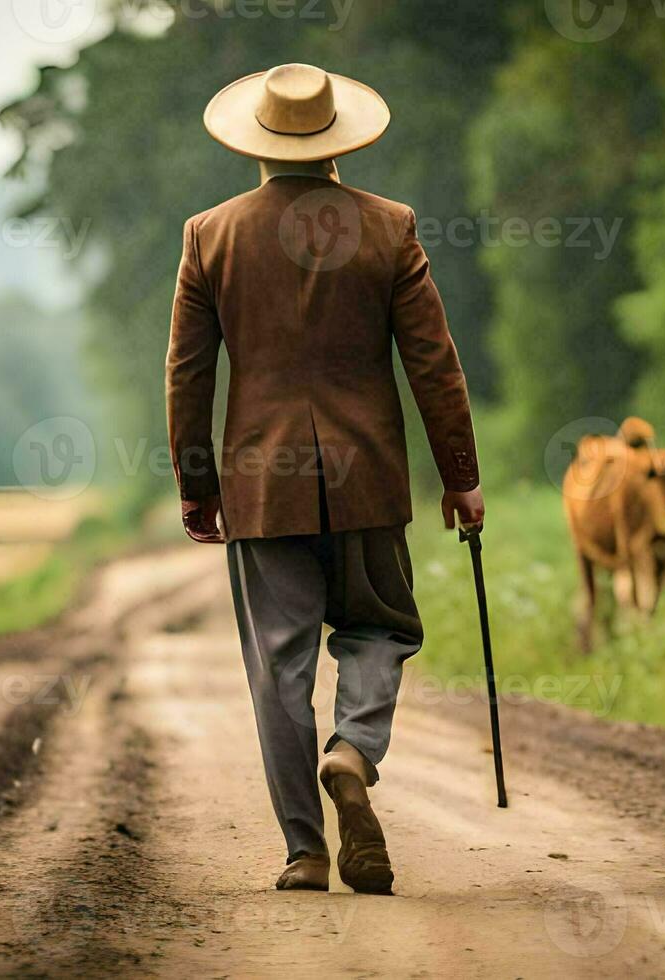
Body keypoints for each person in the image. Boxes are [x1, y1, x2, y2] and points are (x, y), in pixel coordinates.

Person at [166, 63, 484, 894]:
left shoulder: (210, 234)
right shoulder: (389, 227)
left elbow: (188, 375)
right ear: (340, 140)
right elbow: (434, 364)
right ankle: (352, 750)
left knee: (280, 668)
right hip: (369, 479)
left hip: (260, 486)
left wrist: (197, 486)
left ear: (258, 143)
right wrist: (461, 476)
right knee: (382, 630)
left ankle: (304, 853)